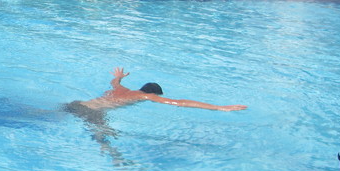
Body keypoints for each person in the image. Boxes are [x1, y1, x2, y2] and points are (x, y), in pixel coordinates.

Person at [69, 67, 247, 113]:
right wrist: (219, 107)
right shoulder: (146, 96)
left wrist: (120, 76)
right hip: (92, 112)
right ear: (153, 93)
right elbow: (180, 103)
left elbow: (113, 82)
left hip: (77, 104)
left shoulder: (121, 88)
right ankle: (116, 160)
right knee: (106, 139)